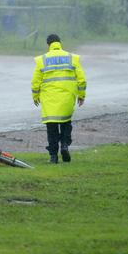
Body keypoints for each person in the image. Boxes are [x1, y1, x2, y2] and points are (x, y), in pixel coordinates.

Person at [31, 34, 86, 163]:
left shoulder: (42, 60)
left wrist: (35, 96)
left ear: (48, 45)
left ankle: (53, 156)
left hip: (49, 100)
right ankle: (65, 145)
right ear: (60, 43)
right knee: (66, 123)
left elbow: (35, 82)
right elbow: (81, 80)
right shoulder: (72, 58)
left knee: (52, 128)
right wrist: (81, 95)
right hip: (67, 98)